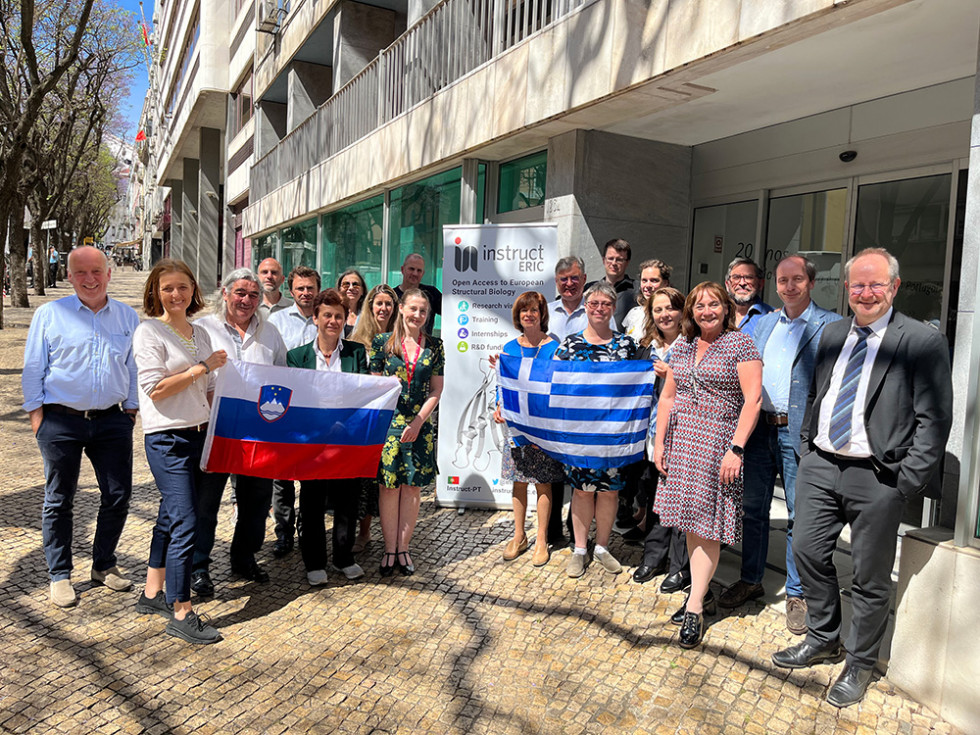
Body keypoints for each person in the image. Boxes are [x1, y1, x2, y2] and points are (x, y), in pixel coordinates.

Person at [772, 248, 952, 708]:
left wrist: (904, 483)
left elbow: (934, 421)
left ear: (893, 287)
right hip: (821, 465)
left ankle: (859, 662)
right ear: (846, 288)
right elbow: (818, 390)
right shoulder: (832, 332)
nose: (865, 293)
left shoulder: (920, 341)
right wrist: (807, 446)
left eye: (875, 284)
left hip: (878, 476)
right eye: (857, 284)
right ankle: (823, 636)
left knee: (871, 577)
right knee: (807, 551)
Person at [717, 255, 842, 634]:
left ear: (811, 282)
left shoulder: (832, 325)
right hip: (758, 432)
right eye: (783, 280)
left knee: (798, 515)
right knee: (752, 511)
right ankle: (752, 579)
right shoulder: (764, 323)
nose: (790, 286)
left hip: (798, 434)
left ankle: (797, 593)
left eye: (797, 279)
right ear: (775, 284)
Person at [22, 246, 140, 608]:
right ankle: (60, 574)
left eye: (96, 272)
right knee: (59, 500)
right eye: (81, 273)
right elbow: (33, 368)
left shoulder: (126, 316)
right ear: (69, 276)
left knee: (117, 496)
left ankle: (104, 564)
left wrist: (131, 410)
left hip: (111, 420)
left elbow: (134, 367)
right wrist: (37, 417)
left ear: (109, 274)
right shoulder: (50, 314)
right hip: (60, 421)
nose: (90, 279)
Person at [653, 282, 762, 649]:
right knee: (690, 522)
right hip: (681, 443)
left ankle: (695, 605)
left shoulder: (741, 344)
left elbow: (753, 400)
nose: (706, 311)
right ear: (691, 311)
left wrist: (737, 448)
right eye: (699, 305)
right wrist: (659, 443)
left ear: (726, 308)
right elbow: (668, 397)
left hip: (718, 446)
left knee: (708, 526)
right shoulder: (681, 344)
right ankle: (703, 591)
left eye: (713, 304)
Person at [133, 259, 227, 644]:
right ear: (156, 291)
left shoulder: (199, 332)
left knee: (170, 518)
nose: (176, 294)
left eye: (183, 287)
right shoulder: (149, 332)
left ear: (194, 291)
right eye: (168, 287)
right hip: (167, 438)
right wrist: (201, 367)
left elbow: (206, 389)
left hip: (200, 434)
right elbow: (155, 389)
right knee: (186, 521)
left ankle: (152, 592)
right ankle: (181, 609)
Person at [192, 269, 288, 596]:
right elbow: (192, 373)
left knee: (256, 501)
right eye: (240, 293)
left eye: (253, 295)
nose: (246, 301)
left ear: (261, 300)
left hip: (258, 430)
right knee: (205, 502)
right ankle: (198, 567)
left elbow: (284, 379)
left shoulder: (271, 333)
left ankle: (244, 557)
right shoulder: (203, 328)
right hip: (214, 427)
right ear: (225, 293)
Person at [554, 281, 638, 579]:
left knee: (609, 493)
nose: (599, 309)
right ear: (585, 307)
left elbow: (638, 386)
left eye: (605, 304)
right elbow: (551, 382)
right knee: (581, 491)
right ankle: (579, 549)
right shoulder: (569, 345)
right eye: (593, 304)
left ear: (613, 308)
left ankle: (602, 546)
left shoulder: (627, 346)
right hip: (580, 434)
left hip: (613, 435)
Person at [288, 289, 370, 585]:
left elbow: (363, 394)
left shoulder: (356, 353)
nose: (333, 321)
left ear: (346, 318)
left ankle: (344, 557)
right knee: (311, 502)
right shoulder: (297, 357)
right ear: (315, 318)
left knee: (348, 501)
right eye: (327, 315)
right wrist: (322, 425)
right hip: (312, 443)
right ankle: (314, 561)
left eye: (339, 315)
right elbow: (297, 401)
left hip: (347, 440)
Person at [370, 289, 444, 576]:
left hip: (420, 426)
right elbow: (374, 387)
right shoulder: (382, 344)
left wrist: (418, 422)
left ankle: (403, 548)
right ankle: (389, 548)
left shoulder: (435, 346)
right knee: (389, 487)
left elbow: (437, 389)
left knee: (412, 488)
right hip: (389, 425)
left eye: (423, 311)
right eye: (413, 308)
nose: (417, 315)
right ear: (401, 308)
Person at [493, 292, 564, 567]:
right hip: (516, 427)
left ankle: (542, 539)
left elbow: (556, 387)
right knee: (519, 480)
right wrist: (500, 405)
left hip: (543, 426)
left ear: (542, 314)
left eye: (534, 310)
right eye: (524, 311)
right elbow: (502, 384)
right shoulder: (510, 347)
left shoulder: (553, 347)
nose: (529, 315)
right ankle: (519, 536)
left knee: (543, 482)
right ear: (518, 315)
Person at [632, 287, 691, 592]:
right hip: (652, 436)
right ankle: (654, 557)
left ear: (682, 311)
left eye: (670, 308)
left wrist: (672, 375)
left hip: (685, 433)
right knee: (656, 497)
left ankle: (680, 568)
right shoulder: (645, 348)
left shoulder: (694, 346)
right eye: (657, 309)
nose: (664, 314)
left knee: (679, 502)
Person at [268, 265, 321, 556]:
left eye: (310, 287)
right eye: (300, 288)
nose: (305, 293)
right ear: (291, 291)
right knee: (283, 476)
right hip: (285, 408)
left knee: (311, 476)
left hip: (316, 410)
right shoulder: (275, 322)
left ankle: (308, 529)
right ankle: (283, 533)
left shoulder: (324, 318)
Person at [349, 284, 399, 553]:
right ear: (370, 307)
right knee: (365, 479)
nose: (383, 308)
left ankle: (393, 536)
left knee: (389, 478)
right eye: (379, 303)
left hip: (394, 418)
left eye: (388, 304)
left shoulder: (401, 339)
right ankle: (363, 532)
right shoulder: (357, 342)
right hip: (365, 419)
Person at [586, 239, 635, 328]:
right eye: (610, 258)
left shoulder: (637, 289)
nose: (613, 263)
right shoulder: (589, 288)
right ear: (604, 260)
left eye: (619, 260)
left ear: (627, 262)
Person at [621, 259, 672, 340]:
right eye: (644, 280)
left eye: (654, 280)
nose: (647, 285)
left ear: (665, 283)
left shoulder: (672, 315)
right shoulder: (634, 313)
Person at [394, 254, 442, 335]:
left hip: (424, 346)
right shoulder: (392, 296)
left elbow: (450, 313)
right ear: (402, 270)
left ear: (423, 273)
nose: (415, 273)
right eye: (411, 269)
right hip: (397, 345)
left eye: (419, 270)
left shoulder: (432, 293)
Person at [725, 257, 773, 336]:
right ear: (727, 285)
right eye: (736, 277)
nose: (742, 283)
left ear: (761, 284)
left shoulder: (772, 317)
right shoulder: (717, 314)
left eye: (749, 277)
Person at [337, 268, 367, 337]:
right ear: (339, 289)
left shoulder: (368, 316)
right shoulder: (332, 312)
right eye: (346, 284)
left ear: (362, 290)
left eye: (355, 284)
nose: (351, 288)